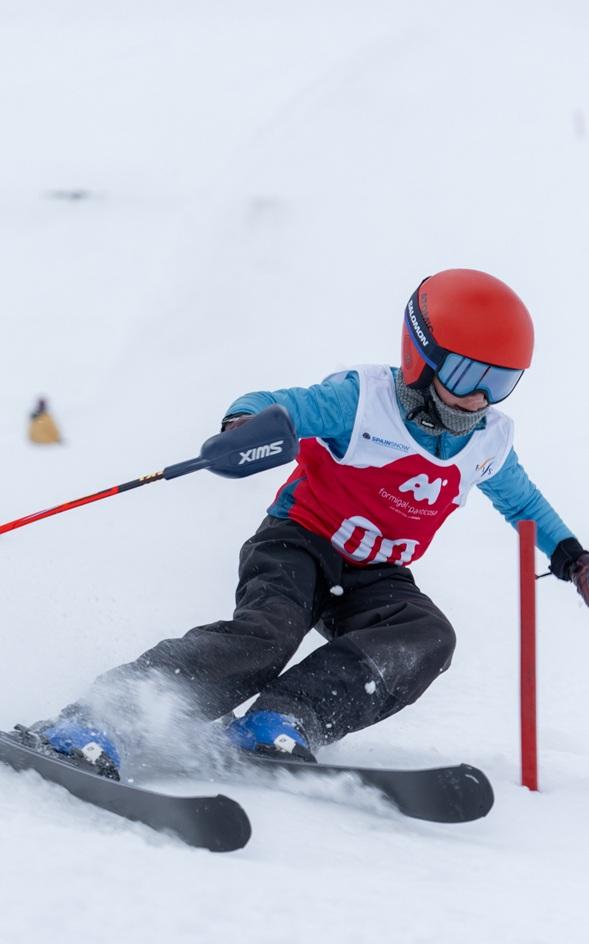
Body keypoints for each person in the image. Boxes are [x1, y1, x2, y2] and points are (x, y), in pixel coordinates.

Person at [17, 268, 589, 779]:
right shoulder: (363, 401)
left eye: (500, 382)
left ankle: (285, 717)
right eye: (466, 376)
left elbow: (523, 503)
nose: (478, 399)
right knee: (266, 636)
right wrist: (248, 426)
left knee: (427, 638)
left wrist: (572, 556)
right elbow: (279, 402)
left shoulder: (487, 441)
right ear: (423, 356)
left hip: (377, 573)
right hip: (298, 544)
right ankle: (101, 717)